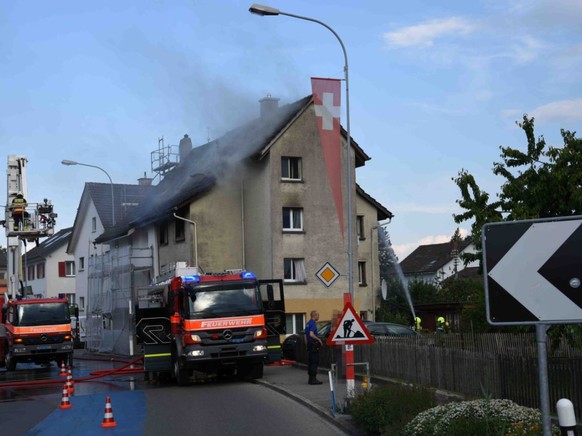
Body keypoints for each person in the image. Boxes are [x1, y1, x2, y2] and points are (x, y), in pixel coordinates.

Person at [305, 309, 324, 385]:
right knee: (314, 362)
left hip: (309, 345)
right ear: (315, 316)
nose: (318, 317)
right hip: (313, 345)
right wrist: (319, 339)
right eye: (318, 315)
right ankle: (313, 380)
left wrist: (306, 345)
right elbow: (311, 334)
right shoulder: (313, 324)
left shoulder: (308, 324)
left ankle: (310, 379)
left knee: (310, 362)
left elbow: (305, 336)